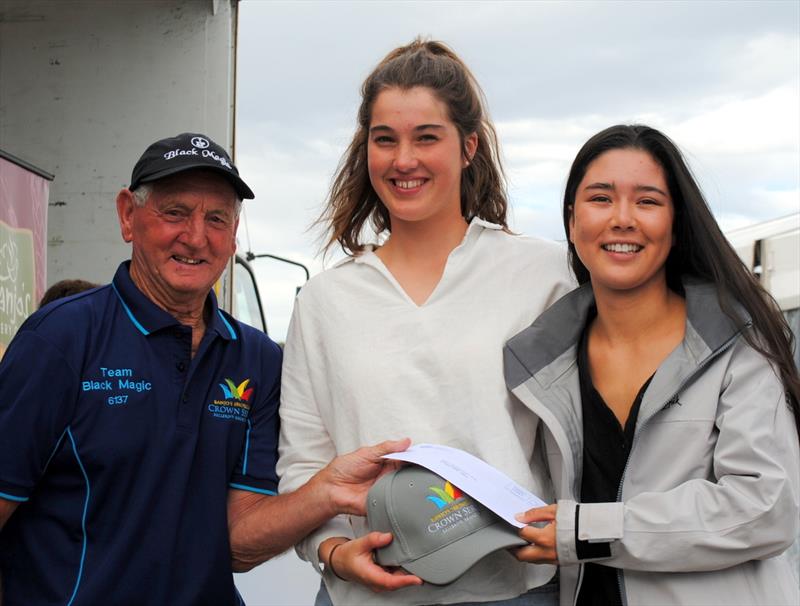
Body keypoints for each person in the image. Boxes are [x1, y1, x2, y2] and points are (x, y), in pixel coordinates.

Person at [0, 132, 410, 606]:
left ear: (234, 234)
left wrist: (327, 491)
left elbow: (239, 545)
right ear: (128, 216)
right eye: (174, 212)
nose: (196, 237)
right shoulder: (60, 339)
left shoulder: (257, 361)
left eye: (216, 218)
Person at [277, 39, 573, 606]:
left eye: (426, 138)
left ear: (468, 147)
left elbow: (578, 444)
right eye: (384, 139)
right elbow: (304, 463)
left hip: (512, 591)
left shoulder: (544, 276)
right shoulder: (324, 300)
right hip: (363, 595)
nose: (403, 159)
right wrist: (334, 552)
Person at [505, 124, 800, 605]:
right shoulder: (537, 362)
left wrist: (585, 529)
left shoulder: (738, 345)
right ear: (572, 219)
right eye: (601, 198)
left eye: (647, 201)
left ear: (676, 222)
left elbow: (764, 508)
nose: (622, 219)